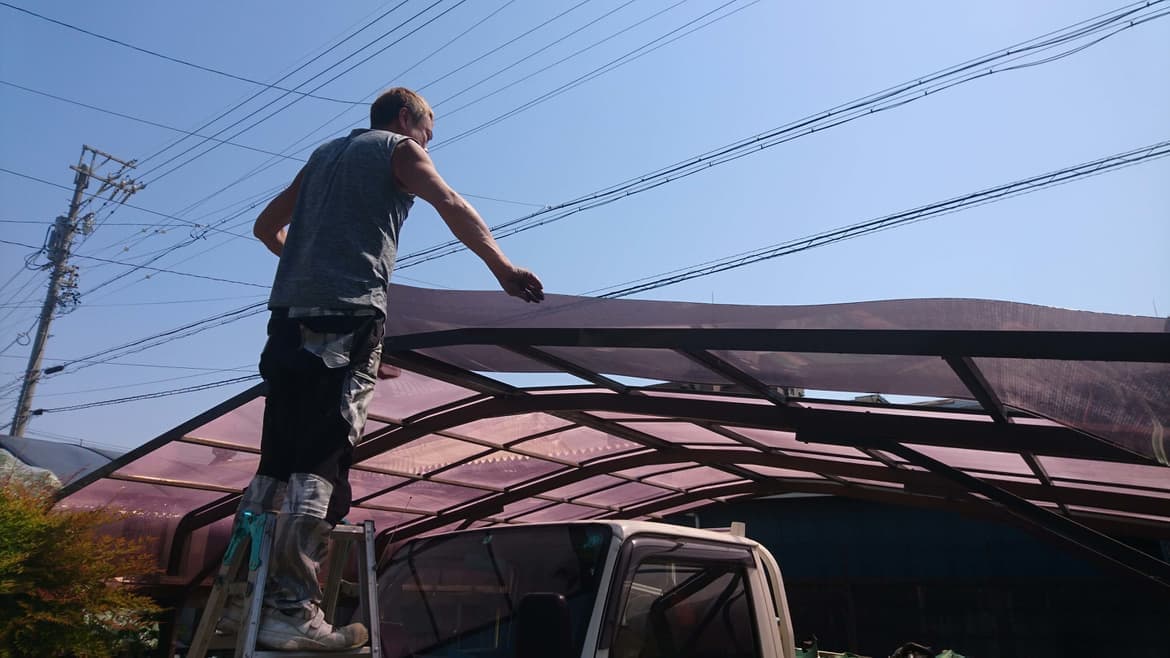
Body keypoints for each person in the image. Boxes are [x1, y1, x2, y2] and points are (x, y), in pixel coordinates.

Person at [225, 87, 544, 651]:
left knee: (276, 459)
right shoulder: (398, 148)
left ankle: (237, 602)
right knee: (323, 455)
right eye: (429, 131)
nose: (427, 142)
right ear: (405, 118)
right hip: (348, 317)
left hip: (288, 320)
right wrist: (503, 266)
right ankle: (291, 610)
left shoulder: (324, 155)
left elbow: (264, 229)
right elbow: (450, 202)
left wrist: (310, 264)